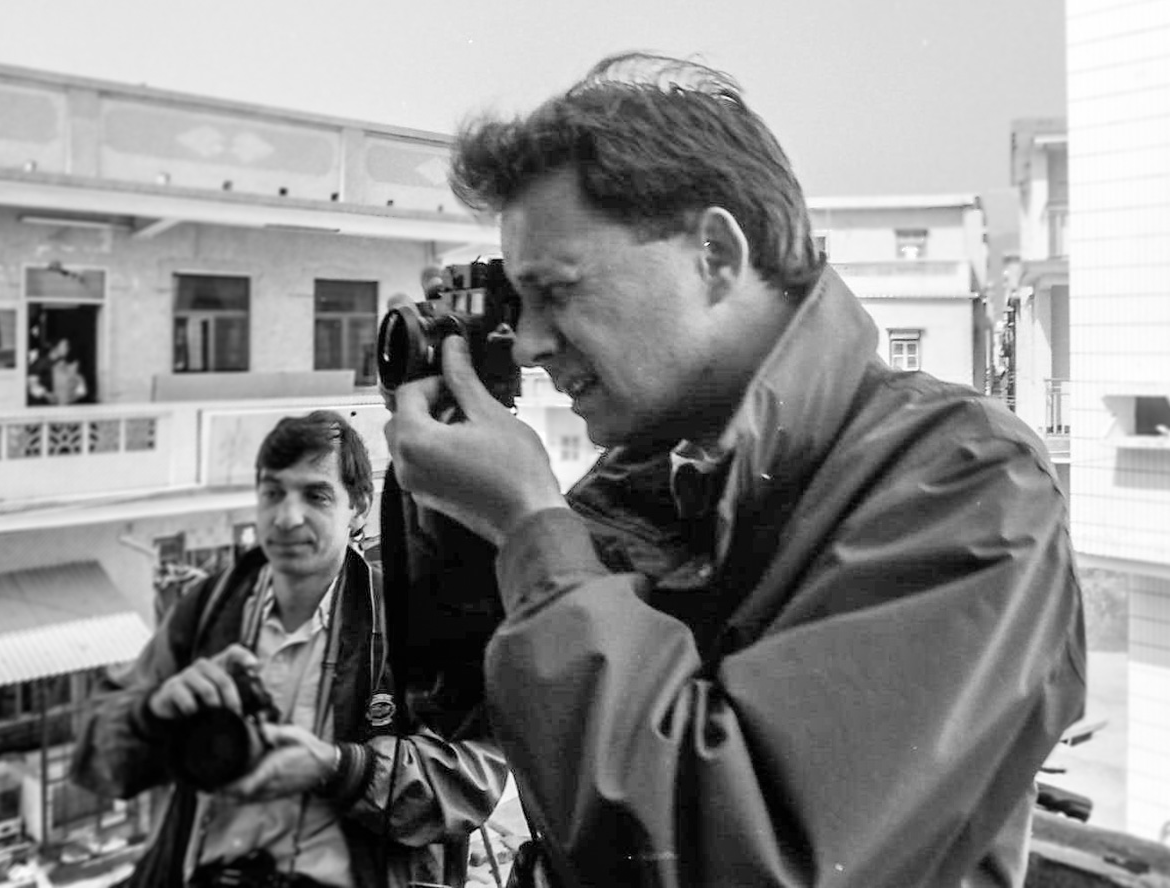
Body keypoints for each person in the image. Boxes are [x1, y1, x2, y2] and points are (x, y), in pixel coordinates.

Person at [383, 53, 1086, 887]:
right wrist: (454, 504)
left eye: (559, 292)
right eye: (516, 304)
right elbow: (462, 700)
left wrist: (532, 526)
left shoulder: (965, 480)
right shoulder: (647, 477)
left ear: (716, 252)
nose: (530, 345)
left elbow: (744, 857)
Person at [71, 411, 507, 888]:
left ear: (359, 507)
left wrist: (342, 769)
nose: (288, 517)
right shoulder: (208, 613)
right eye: (274, 493)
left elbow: (476, 777)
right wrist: (153, 716)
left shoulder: (411, 621)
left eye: (316, 496)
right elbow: (98, 753)